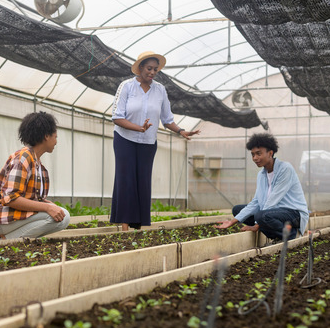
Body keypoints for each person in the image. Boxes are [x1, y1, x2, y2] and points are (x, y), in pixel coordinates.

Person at [111, 51, 200, 231]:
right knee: (126, 179)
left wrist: (181, 131)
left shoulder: (160, 90)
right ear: (141, 67)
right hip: (125, 139)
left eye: (155, 69)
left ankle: (138, 224)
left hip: (148, 142)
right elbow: (117, 117)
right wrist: (138, 128)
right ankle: (124, 226)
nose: (152, 72)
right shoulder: (126, 86)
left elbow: (167, 119)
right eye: (149, 68)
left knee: (142, 181)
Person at [0, 111, 70, 240]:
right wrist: (47, 207)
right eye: (55, 137)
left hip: (11, 217)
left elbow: (32, 198)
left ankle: (5, 239)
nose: (56, 142)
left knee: (60, 215)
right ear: (46, 136)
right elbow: (10, 198)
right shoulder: (23, 158)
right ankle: (6, 241)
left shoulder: (38, 164)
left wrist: (49, 205)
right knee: (60, 216)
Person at [216, 133, 309, 242]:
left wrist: (257, 224)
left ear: (270, 153)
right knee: (237, 210)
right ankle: (276, 234)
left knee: (261, 216)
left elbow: (273, 200)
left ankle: (291, 234)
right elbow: (256, 202)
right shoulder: (261, 175)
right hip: (274, 213)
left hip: (293, 213)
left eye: (258, 154)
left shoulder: (285, 169)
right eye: (253, 154)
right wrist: (233, 221)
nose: (255, 158)